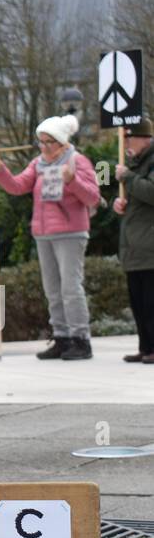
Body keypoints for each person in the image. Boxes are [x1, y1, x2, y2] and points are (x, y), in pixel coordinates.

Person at [0, 114, 100, 361]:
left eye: (49, 142)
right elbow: (17, 186)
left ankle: (81, 339)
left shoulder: (77, 160)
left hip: (71, 232)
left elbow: (93, 197)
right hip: (43, 233)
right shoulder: (38, 164)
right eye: (41, 141)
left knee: (71, 287)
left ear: (62, 143)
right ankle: (61, 337)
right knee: (52, 289)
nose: (44, 147)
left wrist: (72, 181)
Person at [113, 118, 154, 363]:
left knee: (151, 304)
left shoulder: (146, 164)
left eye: (129, 138)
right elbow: (104, 179)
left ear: (144, 138)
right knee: (139, 305)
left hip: (149, 247)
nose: (126, 143)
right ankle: (145, 346)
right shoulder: (134, 164)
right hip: (135, 247)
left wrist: (128, 177)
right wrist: (119, 204)